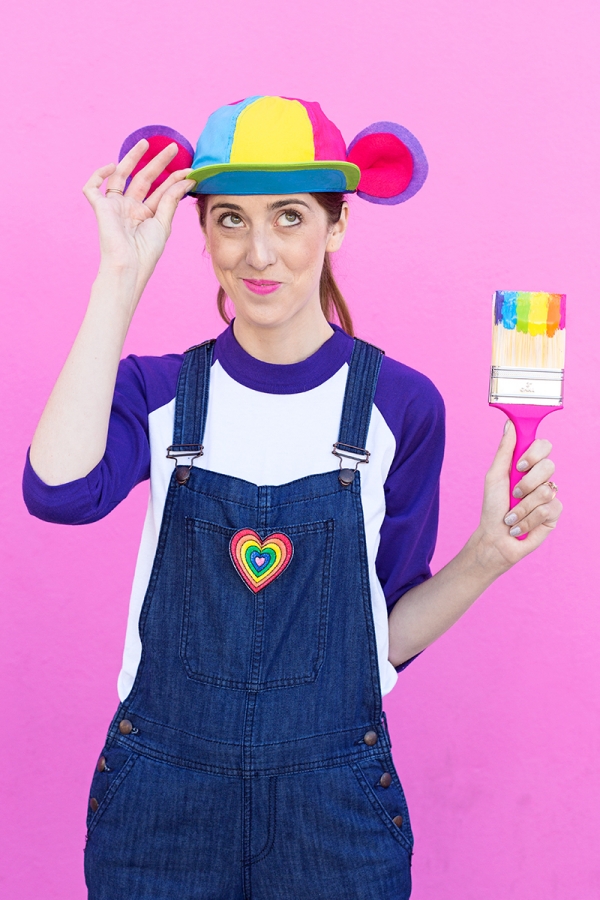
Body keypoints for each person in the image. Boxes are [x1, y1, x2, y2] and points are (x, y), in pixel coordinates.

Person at [23, 96, 562, 900]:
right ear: (199, 230)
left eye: (290, 216)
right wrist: (120, 273)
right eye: (231, 220)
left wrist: (486, 558)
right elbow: (57, 492)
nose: (259, 251)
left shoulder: (400, 407)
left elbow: (378, 643)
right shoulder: (160, 391)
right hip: (160, 804)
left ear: (337, 225)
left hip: (333, 809)